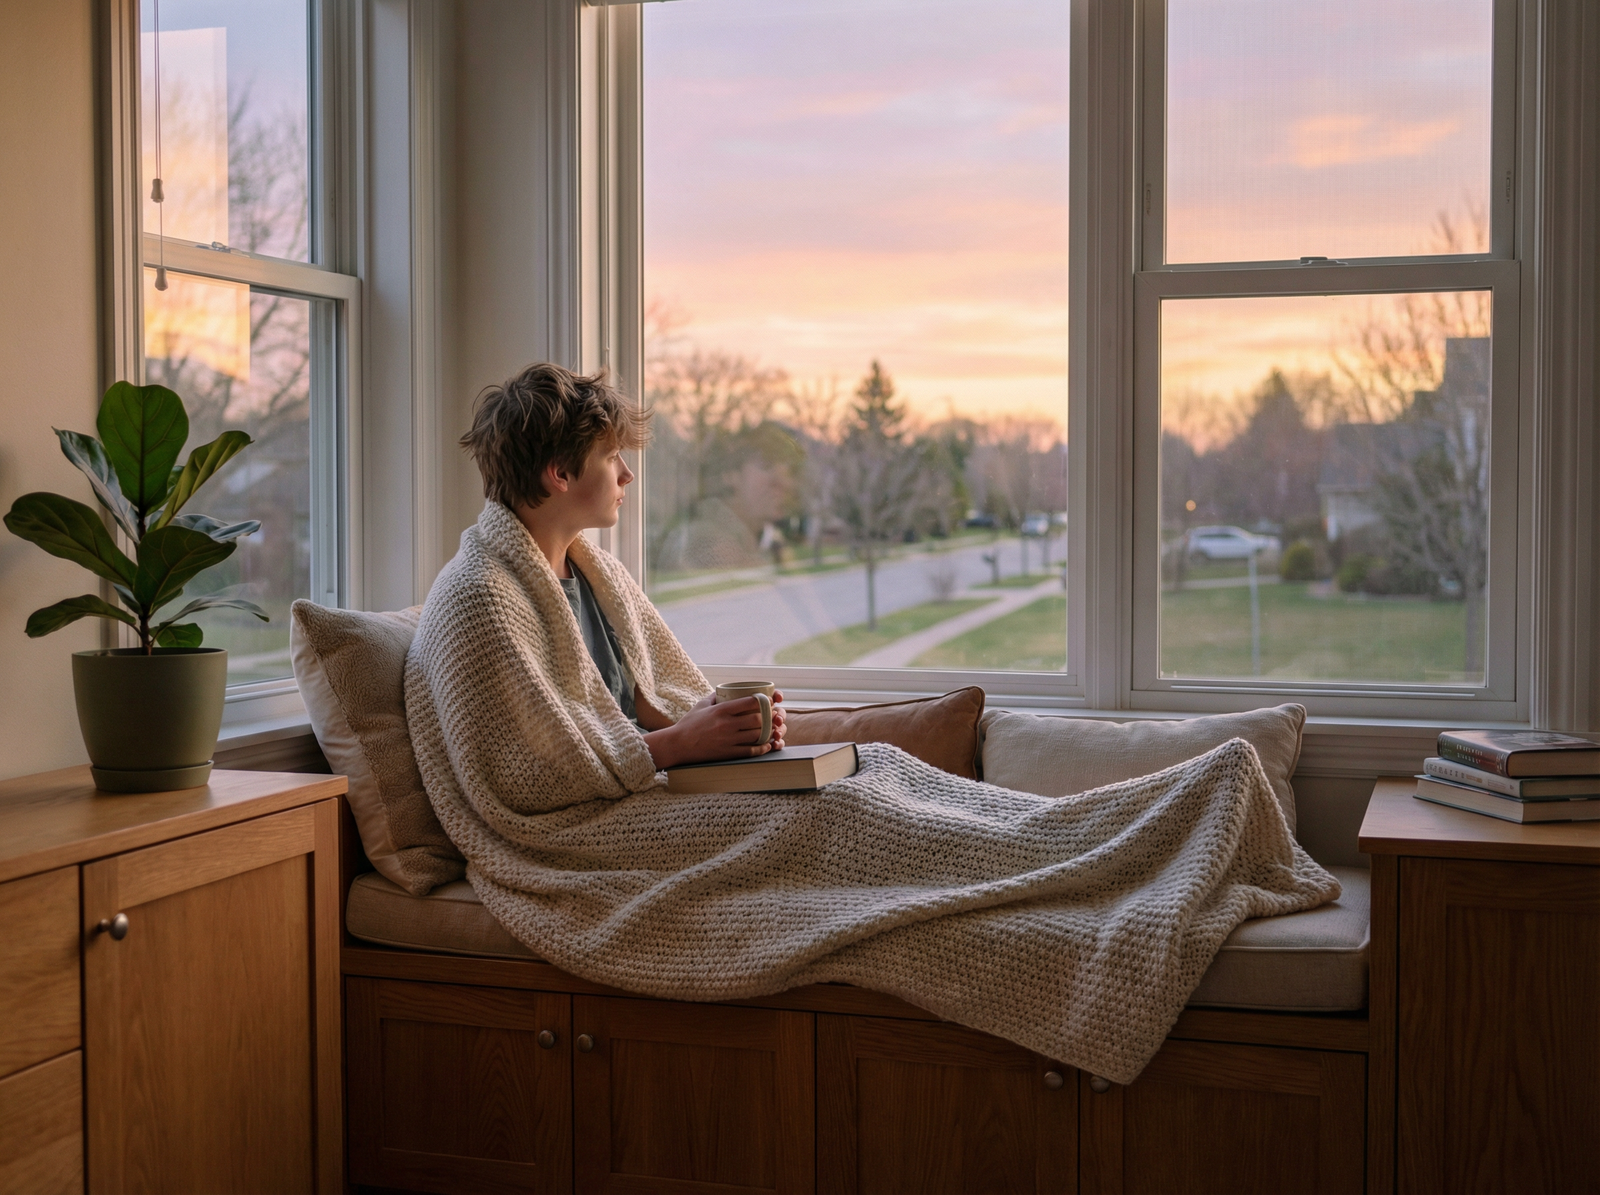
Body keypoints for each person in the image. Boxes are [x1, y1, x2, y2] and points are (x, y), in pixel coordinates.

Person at [404, 362, 1336, 1084]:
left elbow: (649, 705)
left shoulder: (584, 571)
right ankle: (1148, 836)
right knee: (839, 815)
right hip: (580, 845)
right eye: (615, 457)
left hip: (645, 795)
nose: (629, 474)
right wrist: (684, 745)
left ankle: (1159, 816)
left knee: (876, 774)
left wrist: (727, 725)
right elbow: (530, 782)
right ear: (561, 470)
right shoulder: (482, 599)